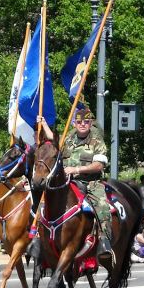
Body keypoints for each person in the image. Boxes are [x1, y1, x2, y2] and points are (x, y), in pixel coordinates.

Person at [39, 108, 113, 267]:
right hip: (67, 181)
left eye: (86, 122)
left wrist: (77, 169)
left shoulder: (97, 140)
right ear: (74, 123)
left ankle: (105, 242)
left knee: (102, 206)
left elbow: (99, 165)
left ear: (90, 122)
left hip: (90, 182)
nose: (82, 124)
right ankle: (39, 238)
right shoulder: (70, 137)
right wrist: (44, 124)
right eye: (79, 122)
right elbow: (54, 141)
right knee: (44, 202)